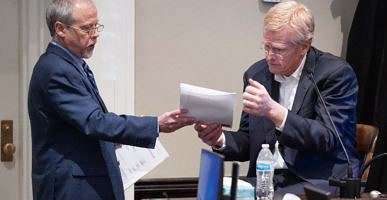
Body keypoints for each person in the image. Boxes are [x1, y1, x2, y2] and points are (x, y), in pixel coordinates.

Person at [28, 0, 195, 199]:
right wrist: (156, 125)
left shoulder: (70, 64)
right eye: (87, 28)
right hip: (72, 189)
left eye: (96, 26)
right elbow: (94, 121)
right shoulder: (55, 69)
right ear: (60, 29)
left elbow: (79, 126)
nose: (95, 34)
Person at [194, 1, 359, 195]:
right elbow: (249, 140)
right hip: (265, 179)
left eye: (278, 50)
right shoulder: (256, 74)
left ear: (304, 46)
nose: (270, 56)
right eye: (266, 47)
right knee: (211, 192)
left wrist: (276, 112)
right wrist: (219, 138)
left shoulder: (334, 74)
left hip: (315, 180)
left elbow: (328, 139)